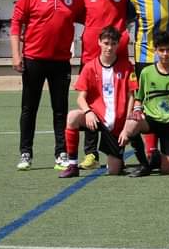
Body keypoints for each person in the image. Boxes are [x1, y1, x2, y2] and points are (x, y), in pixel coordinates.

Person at [13, 0, 86, 171]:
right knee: (29, 108)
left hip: (61, 62)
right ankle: (26, 153)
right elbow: (16, 24)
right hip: (33, 59)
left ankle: (61, 153)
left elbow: (90, 20)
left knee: (60, 109)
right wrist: (16, 55)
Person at [78, 0, 133, 170]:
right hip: (91, 59)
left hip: (119, 60)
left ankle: (117, 149)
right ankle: (91, 153)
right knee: (92, 103)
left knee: (119, 103)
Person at [57, 27, 133, 178]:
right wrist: (88, 112)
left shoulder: (127, 66)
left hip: (117, 123)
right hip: (96, 116)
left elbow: (132, 96)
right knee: (72, 116)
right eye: (106, 43)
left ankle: (118, 159)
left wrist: (127, 126)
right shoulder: (90, 67)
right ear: (99, 42)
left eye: (113, 44)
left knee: (114, 171)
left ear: (118, 45)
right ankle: (72, 165)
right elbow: (81, 98)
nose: (109, 47)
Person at [122, 31, 169, 177]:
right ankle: (144, 165)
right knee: (131, 124)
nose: (165, 54)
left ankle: (161, 157)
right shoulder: (146, 72)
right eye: (161, 50)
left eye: (168, 50)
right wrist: (137, 109)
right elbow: (139, 97)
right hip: (151, 119)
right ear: (155, 51)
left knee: (167, 170)